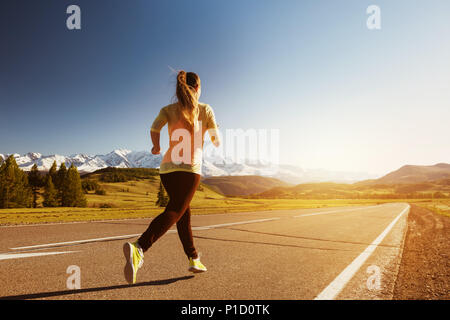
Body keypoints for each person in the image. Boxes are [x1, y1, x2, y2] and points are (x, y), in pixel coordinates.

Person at [123, 70, 220, 284]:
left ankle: (194, 258)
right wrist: (215, 133)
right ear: (197, 88)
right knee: (176, 210)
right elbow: (215, 140)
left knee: (182, 212)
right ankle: (139, 248)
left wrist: (156, 146)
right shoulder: (205, 109)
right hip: (189, 169)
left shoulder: (167, 109)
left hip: (167, 169)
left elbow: (154, 128)